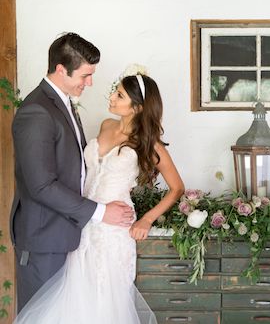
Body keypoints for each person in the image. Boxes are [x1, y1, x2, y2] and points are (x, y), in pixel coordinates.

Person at [14, 67, 184, 323]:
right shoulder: (106, 125)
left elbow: (177, 188)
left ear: (137, 107)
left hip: (114, 230)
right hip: (83, 221)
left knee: (105, 298)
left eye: (120, 95)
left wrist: (146, 219)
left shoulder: (149, 143)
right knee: (75, 295)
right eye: (115, 92)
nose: (111, 98)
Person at [10, 33, 136, 312]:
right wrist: (101, 212)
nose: (90, 82)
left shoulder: (62, 101)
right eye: (85, 75)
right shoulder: (37, 111)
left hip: (67, 234)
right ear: (60, 69)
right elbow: (41, 186)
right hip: (45, 241)